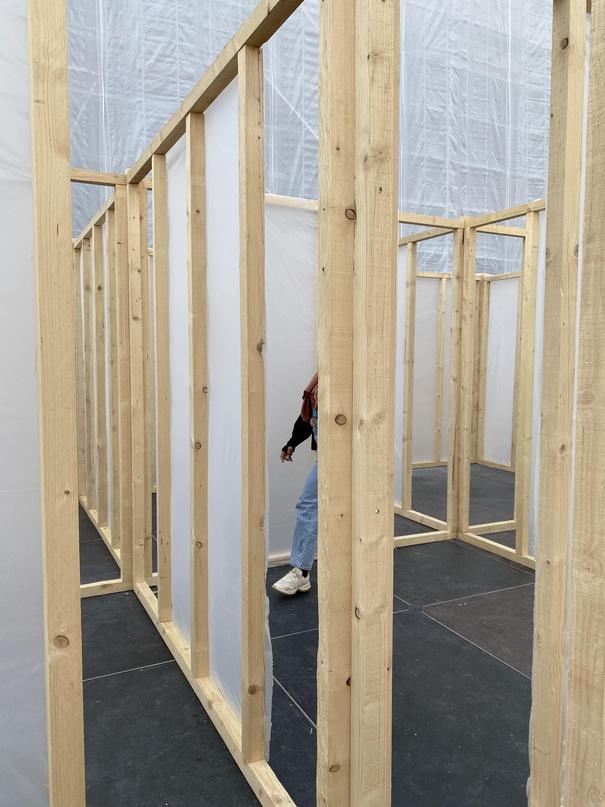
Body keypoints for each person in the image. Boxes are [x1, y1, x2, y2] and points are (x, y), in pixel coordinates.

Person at [272, 373, 318, 596]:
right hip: (326, 455)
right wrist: (292, 443)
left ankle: (302, 571)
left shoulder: (347, 374)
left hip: (348, 456)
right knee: (308, 506)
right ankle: (302, 572)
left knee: (308, 506)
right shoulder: (320, 379)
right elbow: (309, 416)